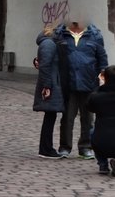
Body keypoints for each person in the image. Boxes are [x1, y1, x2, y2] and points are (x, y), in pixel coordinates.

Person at [56, 16, 108, 159]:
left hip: (89, 83)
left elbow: (102, 59)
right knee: (67, 118)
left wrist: (103, 77)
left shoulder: (95, 36)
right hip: (69, 83)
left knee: (87, 119)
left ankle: (86, 147)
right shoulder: (61, 35)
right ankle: (64, 147)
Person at [33, 24, 66, 158]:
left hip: (52, 82)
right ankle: (46, 149)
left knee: (50, 116)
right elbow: (45, 65)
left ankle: (46, 147)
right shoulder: (49, 44)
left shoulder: (49, 43)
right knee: (50, 116)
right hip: (51, 83)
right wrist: (47, 86)